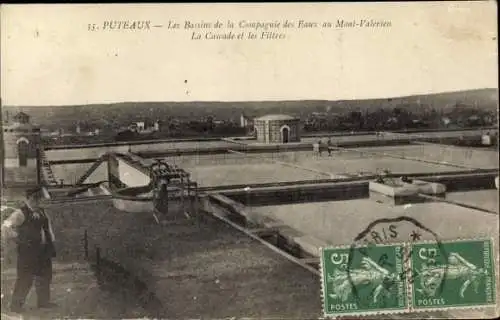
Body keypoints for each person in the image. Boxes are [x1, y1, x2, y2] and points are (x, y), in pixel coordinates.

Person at [1, 196, 57, 313]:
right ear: (31, 199)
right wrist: (17, 237)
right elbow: (5, 226)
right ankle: (16, 306)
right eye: (38, 199)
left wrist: (51, 240)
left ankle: (43, 302)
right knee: (25, 278)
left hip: (43, 251)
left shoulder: (42, 212)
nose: (40, 202)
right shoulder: (20, 213)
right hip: (28, 252)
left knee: (45, 276)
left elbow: (47, 228)